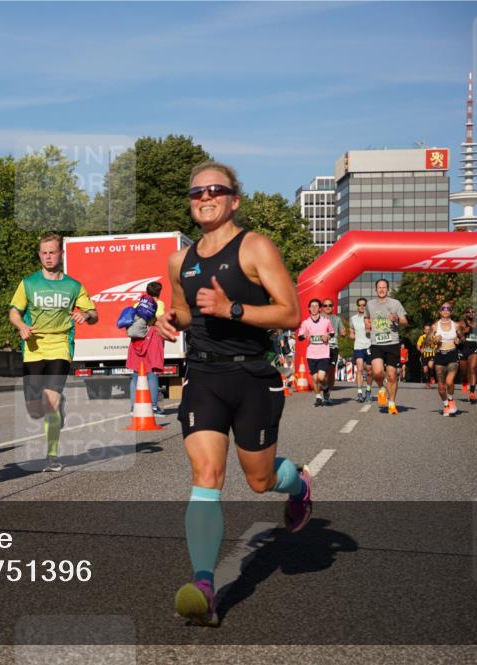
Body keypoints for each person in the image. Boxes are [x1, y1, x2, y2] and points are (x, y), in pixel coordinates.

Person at [156, 160, 307, 627]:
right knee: (206, 473)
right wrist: (170, 321)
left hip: (253, 377)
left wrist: (232, 307)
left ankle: (297, 484)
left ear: (234, 199)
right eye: (196, 192)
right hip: (202, 376)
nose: (204, 198)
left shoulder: (256, 247)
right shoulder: (180, 260)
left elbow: (290, 314)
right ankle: (205, 585)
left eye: (214, 190)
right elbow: (183, 311)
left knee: (259, 480)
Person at [9, 234, 98, 472]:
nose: (48, 256)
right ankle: (57, 408)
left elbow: (94, 313)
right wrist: (21, 326)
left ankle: (52, 456)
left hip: (60, 345)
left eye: (53, 252)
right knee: (35, 410)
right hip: (33, 348)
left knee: (51, 404)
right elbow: (14, 312)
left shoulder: (74, 285)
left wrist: (85, 315)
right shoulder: (28, 283)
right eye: (44, 252)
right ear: (39, 255)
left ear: (61, 254)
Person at [365, 279, 408, 415]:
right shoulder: (370, 305)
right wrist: (367, 324)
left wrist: (396, 319)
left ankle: (391, 403)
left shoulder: (395, 304)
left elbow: (405, 322)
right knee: (377, 372)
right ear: (376, 289)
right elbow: (366, 317)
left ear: (388, 289)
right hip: (376, 343)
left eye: (384, 287)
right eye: (379, 287)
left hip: (392, 343)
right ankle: (381, 388)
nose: (381, 290)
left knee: (392, 375)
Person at [128, 282, 166, 415]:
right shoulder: (159, 304)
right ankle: (154, 407)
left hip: (137, 340)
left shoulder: (137, 304)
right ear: (159, 292)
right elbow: (160, 318)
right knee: (152, 373)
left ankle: (134, 408)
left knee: (136, 374)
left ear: (147, 291)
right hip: (152, 339)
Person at [298, 299, 334, 407]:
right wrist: (304, 336)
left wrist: (327, 336)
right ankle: (318, 397)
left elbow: (332, 332)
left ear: (320, 308)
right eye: (312, 306)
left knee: (321, 377)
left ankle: (326, 389)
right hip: (311, 354)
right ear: (309, 308)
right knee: (314, 378)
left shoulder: (326, 321)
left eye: (316, 306)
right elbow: (299, 336)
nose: (314, 308)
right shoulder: (306, 323)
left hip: (323, 353)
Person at [431, 302, 463, 416]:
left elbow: (462, 337)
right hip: (439, 355)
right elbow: (428, 342)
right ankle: (445, 406)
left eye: (448, 308)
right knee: (441, 385)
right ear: (440, 311)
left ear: (451, 311)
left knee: (449, 382)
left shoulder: (456, 325)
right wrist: (435, 340)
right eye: (443, 308)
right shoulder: (434, 326)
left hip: (452, 354)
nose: (445, 310)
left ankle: (450, 400)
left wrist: (458, 340)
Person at [458, 307, 477, 402]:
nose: (471, 313)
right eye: (469, 312)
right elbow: (458, 333)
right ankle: (464, 381)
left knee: (473, 369)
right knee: (463, 371)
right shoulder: (462, 323)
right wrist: (464, 331)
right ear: (465, 313)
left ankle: (472, 393)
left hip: (475, 348)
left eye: (473, 312)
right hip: (463, 348)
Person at [348, 297, 373, 403]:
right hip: (358, 346)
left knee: (370, 371)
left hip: (369, 346)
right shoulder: (353, 319)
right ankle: (359, 393)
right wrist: (351, 335)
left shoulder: (370, 317)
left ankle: (368, 391)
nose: (362, 307)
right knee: (359, 369)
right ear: (357, 306)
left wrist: (371, 328)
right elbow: (351, 332)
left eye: (364, 305)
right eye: (360, 305)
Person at [321, 298, 346, 405]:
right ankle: (321, 393)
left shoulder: (337, 319)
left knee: (331, 371)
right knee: (322, 372)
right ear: (322, 307)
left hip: (333, 347)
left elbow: (343, 332)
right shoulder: (318, 318)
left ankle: (328, 394)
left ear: (333, 307)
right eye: (325, 305)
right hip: (321, 347)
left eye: (330, 305)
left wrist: (343, 332)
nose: (327, 307)